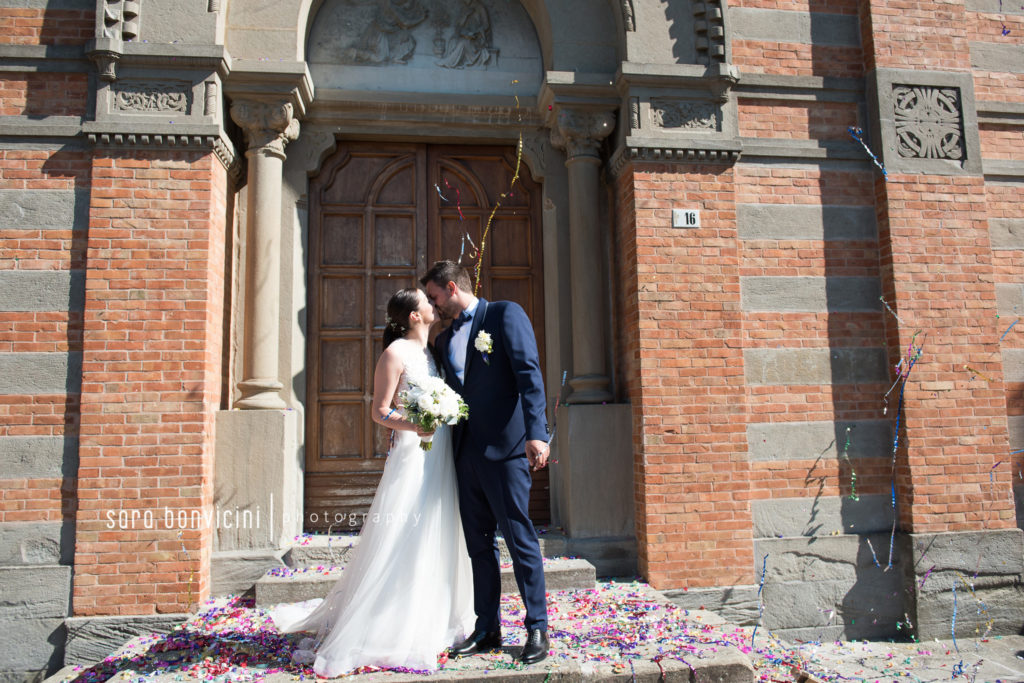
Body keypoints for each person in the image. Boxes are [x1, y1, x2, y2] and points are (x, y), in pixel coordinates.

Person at [268, 288, 474, 676]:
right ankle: (392, 621)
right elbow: (380, 412)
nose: (433, 304)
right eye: (425, 301)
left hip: (440, 453)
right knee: (407, 530)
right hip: (415, 454)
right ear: (414, 316)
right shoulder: (395, 353)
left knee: (437, 527)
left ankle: (435, 611)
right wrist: (418, 424)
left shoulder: (432, 353)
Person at [421, 260, 551, 666]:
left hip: (506, 449)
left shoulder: (504, 314)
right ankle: (487, 628)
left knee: (519, 537)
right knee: (478, 545)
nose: (433, 305)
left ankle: (537, 626)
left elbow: (529, 374)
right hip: (465, 453)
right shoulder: (443, 340)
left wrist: (537, 433)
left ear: (451, 287)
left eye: (434, 297)